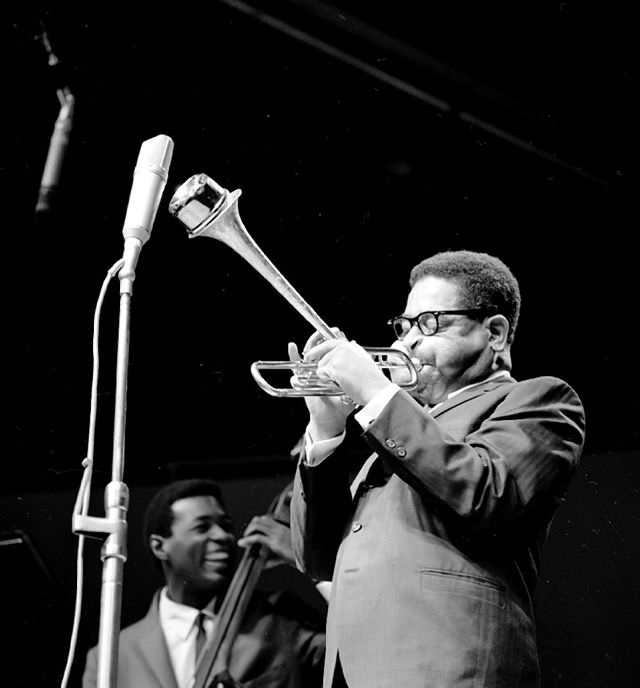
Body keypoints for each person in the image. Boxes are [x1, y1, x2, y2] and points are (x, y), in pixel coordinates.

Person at [288, 250, 586, 688]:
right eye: (404, 326)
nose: (406, 342)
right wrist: (327, 424)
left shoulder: (539, 401)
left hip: (448, 669)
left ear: (496, 333)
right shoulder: (391, 434)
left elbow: (488, 495)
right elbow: (317, 559)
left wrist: (374, 392)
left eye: (429, 323)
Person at [82, 479, 326, 688]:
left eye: (226, 526)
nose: (222, 536)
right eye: (202, 527)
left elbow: (356, 654)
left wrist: (311, 564)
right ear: (159, 546)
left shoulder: (282, 618)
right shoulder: (110, 655)